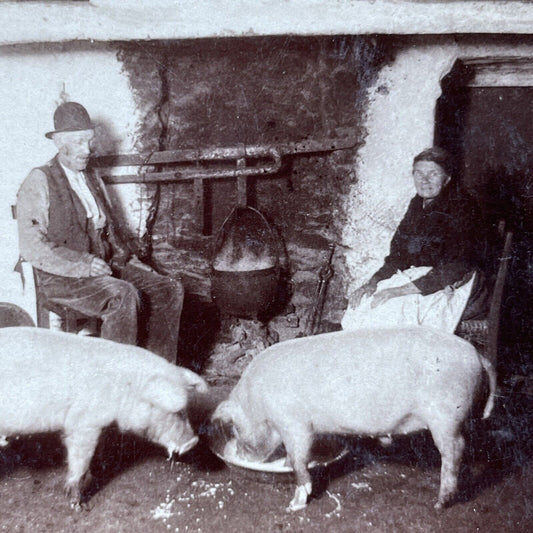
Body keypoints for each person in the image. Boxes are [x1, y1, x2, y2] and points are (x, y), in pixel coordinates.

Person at [16, 101, 184, 363]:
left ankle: (155, 371)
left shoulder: (92, 177)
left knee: (168, 289)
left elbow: (111, 233)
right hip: (61, 277)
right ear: (61, 144)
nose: (88, 150)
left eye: (90, 141)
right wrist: (83, 265)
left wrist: (134, 262)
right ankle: (116, 380)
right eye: (80, 142)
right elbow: (32, 246)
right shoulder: (39, 180)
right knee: (122, 294)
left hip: (104, 267)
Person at [342, 146, 487, 333]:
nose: (424, 180)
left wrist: (399, 290)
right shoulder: (417, 204)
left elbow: (458, 265)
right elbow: (398, 256)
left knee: (393, 310)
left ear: (447, 179)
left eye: (433, 173)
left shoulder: (463, 206)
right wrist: (372, 283)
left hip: (455, 282)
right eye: (419, 173)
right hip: (422, 278)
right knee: (366, 303)